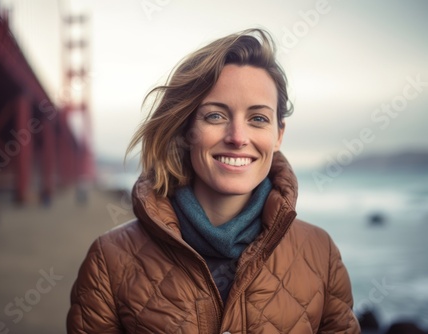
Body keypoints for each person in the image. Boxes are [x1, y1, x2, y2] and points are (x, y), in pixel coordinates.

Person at [67, 28, 360, 333]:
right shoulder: (110, 260)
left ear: (278, 135)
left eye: (258, 119)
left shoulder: (320, 253)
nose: (237, 138)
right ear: (185, 131)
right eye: (215, 116)